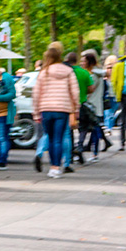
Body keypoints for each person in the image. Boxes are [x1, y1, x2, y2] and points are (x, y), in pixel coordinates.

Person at [32, 44, 79, 179]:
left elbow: (36, 94)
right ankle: (56, 167)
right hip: (62, 109)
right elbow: (75, 92)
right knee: (58, 138)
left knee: (50, 137)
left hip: (46, 108)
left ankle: (52, 165)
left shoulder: (43, 72)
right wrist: (75, 108)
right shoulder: (68, 71)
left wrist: (36, 112)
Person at [81, 51, 110, 157]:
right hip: (95, 105)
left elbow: (89, 90)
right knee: (94, 129)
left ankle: (94, 153)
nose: (81, 63)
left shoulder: (93, 75)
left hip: (91, 105)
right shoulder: (97, 73)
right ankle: (95, 153)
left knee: (93, 130)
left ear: (89, 62)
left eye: (83, 61)